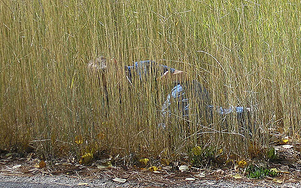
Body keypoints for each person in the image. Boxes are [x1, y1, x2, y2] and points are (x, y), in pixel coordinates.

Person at [87, 57, 252, 133]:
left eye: (107, 75)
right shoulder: (111, 94)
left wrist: (163, 81)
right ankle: (238, 117)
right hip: (169, 113)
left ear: (115, 63)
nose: (107, 81)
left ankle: (242, 113)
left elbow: (186, 76)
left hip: (186, 92)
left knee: (174, 105)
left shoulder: (143, 68)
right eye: (103, 80)